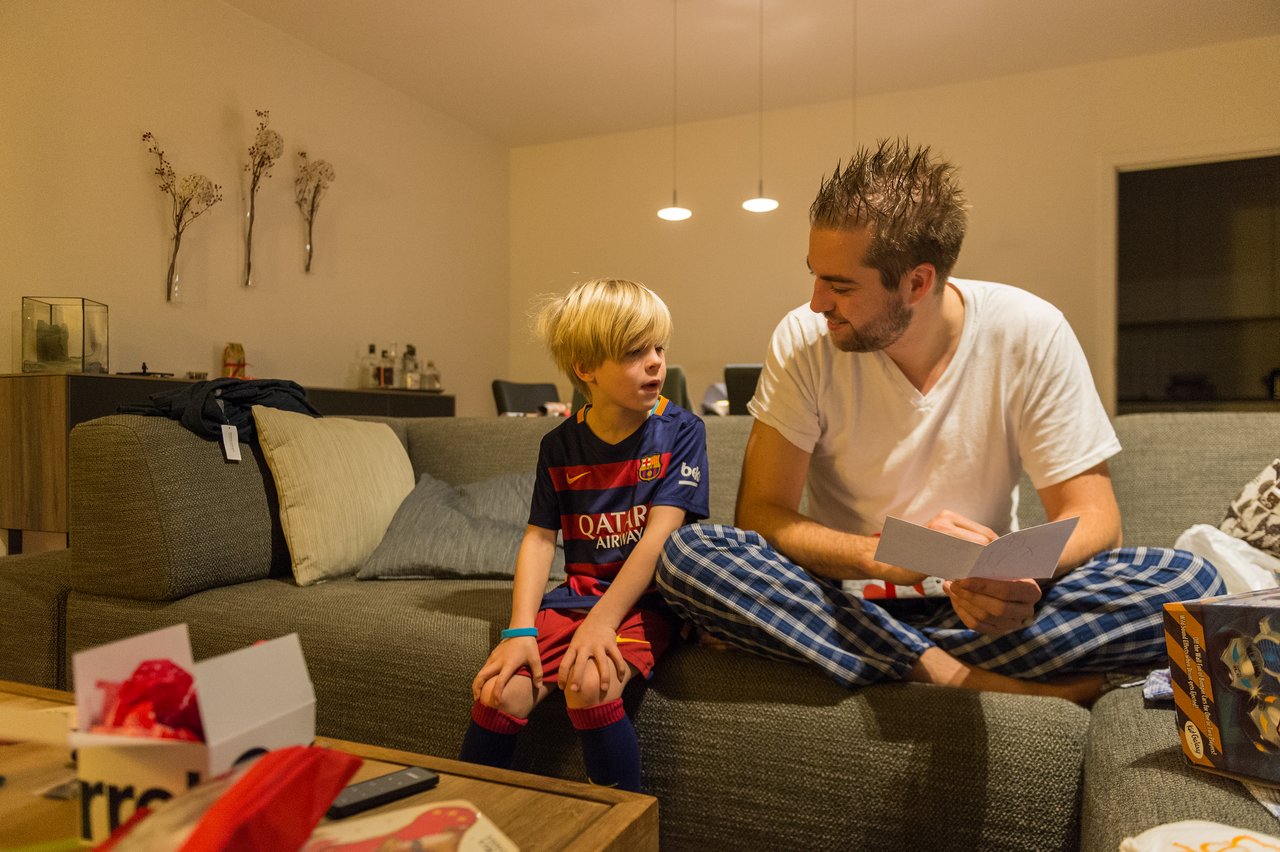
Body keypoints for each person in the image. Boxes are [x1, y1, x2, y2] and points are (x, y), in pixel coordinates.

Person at [655, 139, 1221, 704]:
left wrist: (1011, 574)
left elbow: (1095, 518)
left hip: (974, 611)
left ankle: (855, 653)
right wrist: (878, 555)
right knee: (690, 557)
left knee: (1192, 584)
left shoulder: (1030, 330)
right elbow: (760, 515)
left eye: (842, 286)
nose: (816, 302)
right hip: (841, 595)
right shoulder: (803, 341)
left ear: (917, 283)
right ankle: (953, 675)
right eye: (816, 276)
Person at [459, 278, 709, 790]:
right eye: (635, 352)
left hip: (646, 602)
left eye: (659, 347)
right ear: (586, 369)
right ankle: (465, 822)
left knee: (589, 683)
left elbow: (660, 537)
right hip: (576, 598)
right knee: (498, 692)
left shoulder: (682, 431)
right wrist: (520, 630)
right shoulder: (559, 445)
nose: (657, 362)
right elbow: (538, 539)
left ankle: (623, 830)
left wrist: (603, 621)